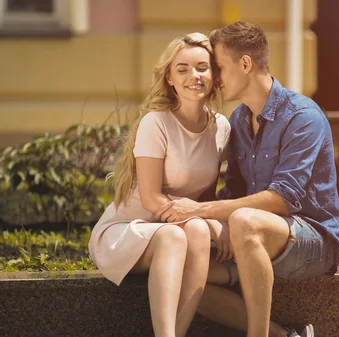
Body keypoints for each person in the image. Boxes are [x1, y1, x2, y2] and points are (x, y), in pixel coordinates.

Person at [155, 21, 339, 337]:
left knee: (244, 220)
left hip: (314, 240)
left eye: (217, 68)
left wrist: (202, 212)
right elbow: (234, 193)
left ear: (245, 64)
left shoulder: (302, 116)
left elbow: (282, 200)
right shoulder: (239, 121)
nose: (212, 79)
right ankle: (284, 336)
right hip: (255, 238)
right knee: (188, 276)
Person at [88, 32, 231, 337]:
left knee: (193, 230)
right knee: (175, 236)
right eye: (183, 69)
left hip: (177, 227)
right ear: (169, 77)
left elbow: (202, 199)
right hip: (127, 230)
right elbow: (152, 199)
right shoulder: (157, 122)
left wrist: (212, 220)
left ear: (214, 74)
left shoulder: (221, 127)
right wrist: (210, 222)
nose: (194, 76)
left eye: (202, 67)